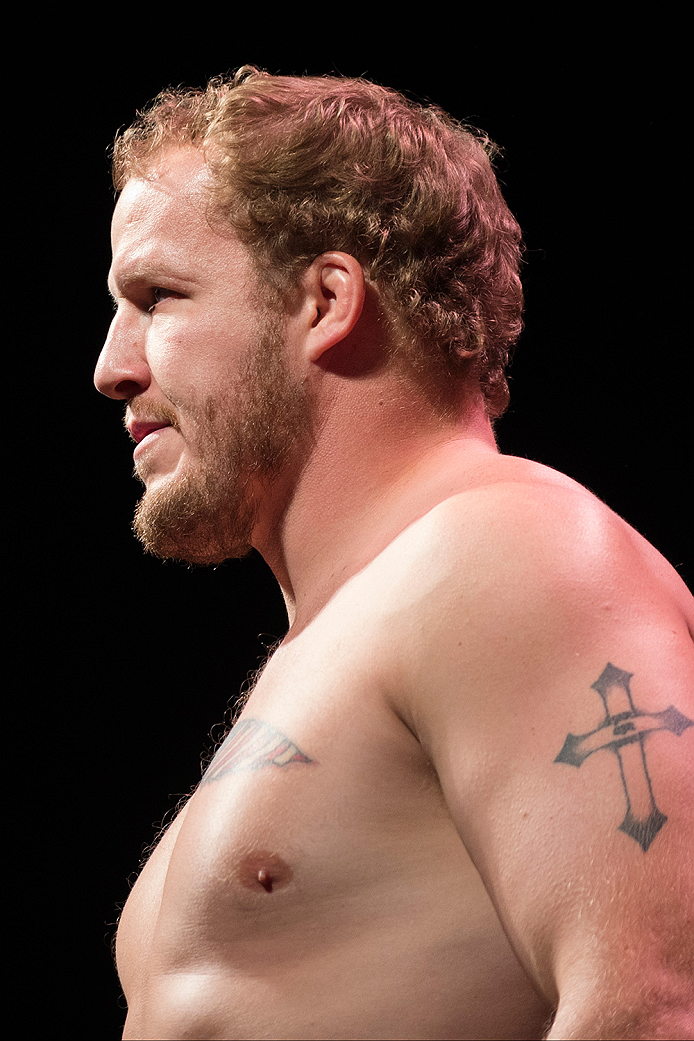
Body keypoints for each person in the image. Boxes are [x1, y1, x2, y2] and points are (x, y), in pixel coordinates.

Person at [94, 66, 694, 1040]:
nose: (112, 367)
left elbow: (653, 1010)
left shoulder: (511, 551)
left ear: (326, 301)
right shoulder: (346, 631)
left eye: (158, 296)